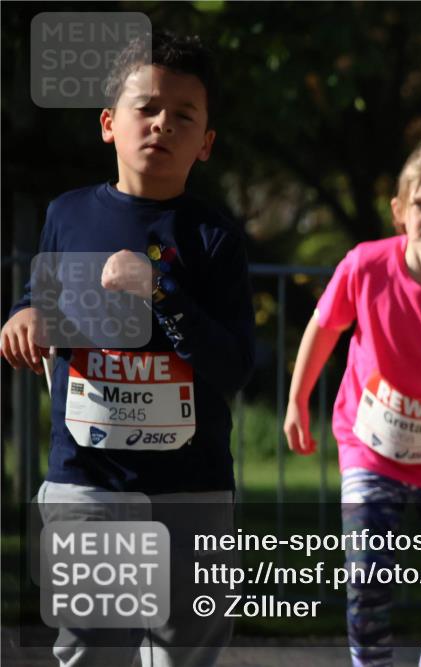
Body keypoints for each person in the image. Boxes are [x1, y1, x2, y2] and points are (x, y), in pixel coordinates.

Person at [1, 31, 255, 667]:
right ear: (110, 124)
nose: (162, 123)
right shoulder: (67, 214)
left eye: (184, 116)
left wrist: (161, 293)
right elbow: (42, 300)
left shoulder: (214, 237)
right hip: (87, 484)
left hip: (191, 491)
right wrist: (24, 315)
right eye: (146, 108)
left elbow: (234, 364)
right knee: (91, 652)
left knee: (183, 656)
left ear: (207, 144)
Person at [284, 137, 421, 666]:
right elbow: (324, 328)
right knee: (367, 573)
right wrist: (297, 398)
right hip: (370, 446)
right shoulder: (365, 267)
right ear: (399, 212)